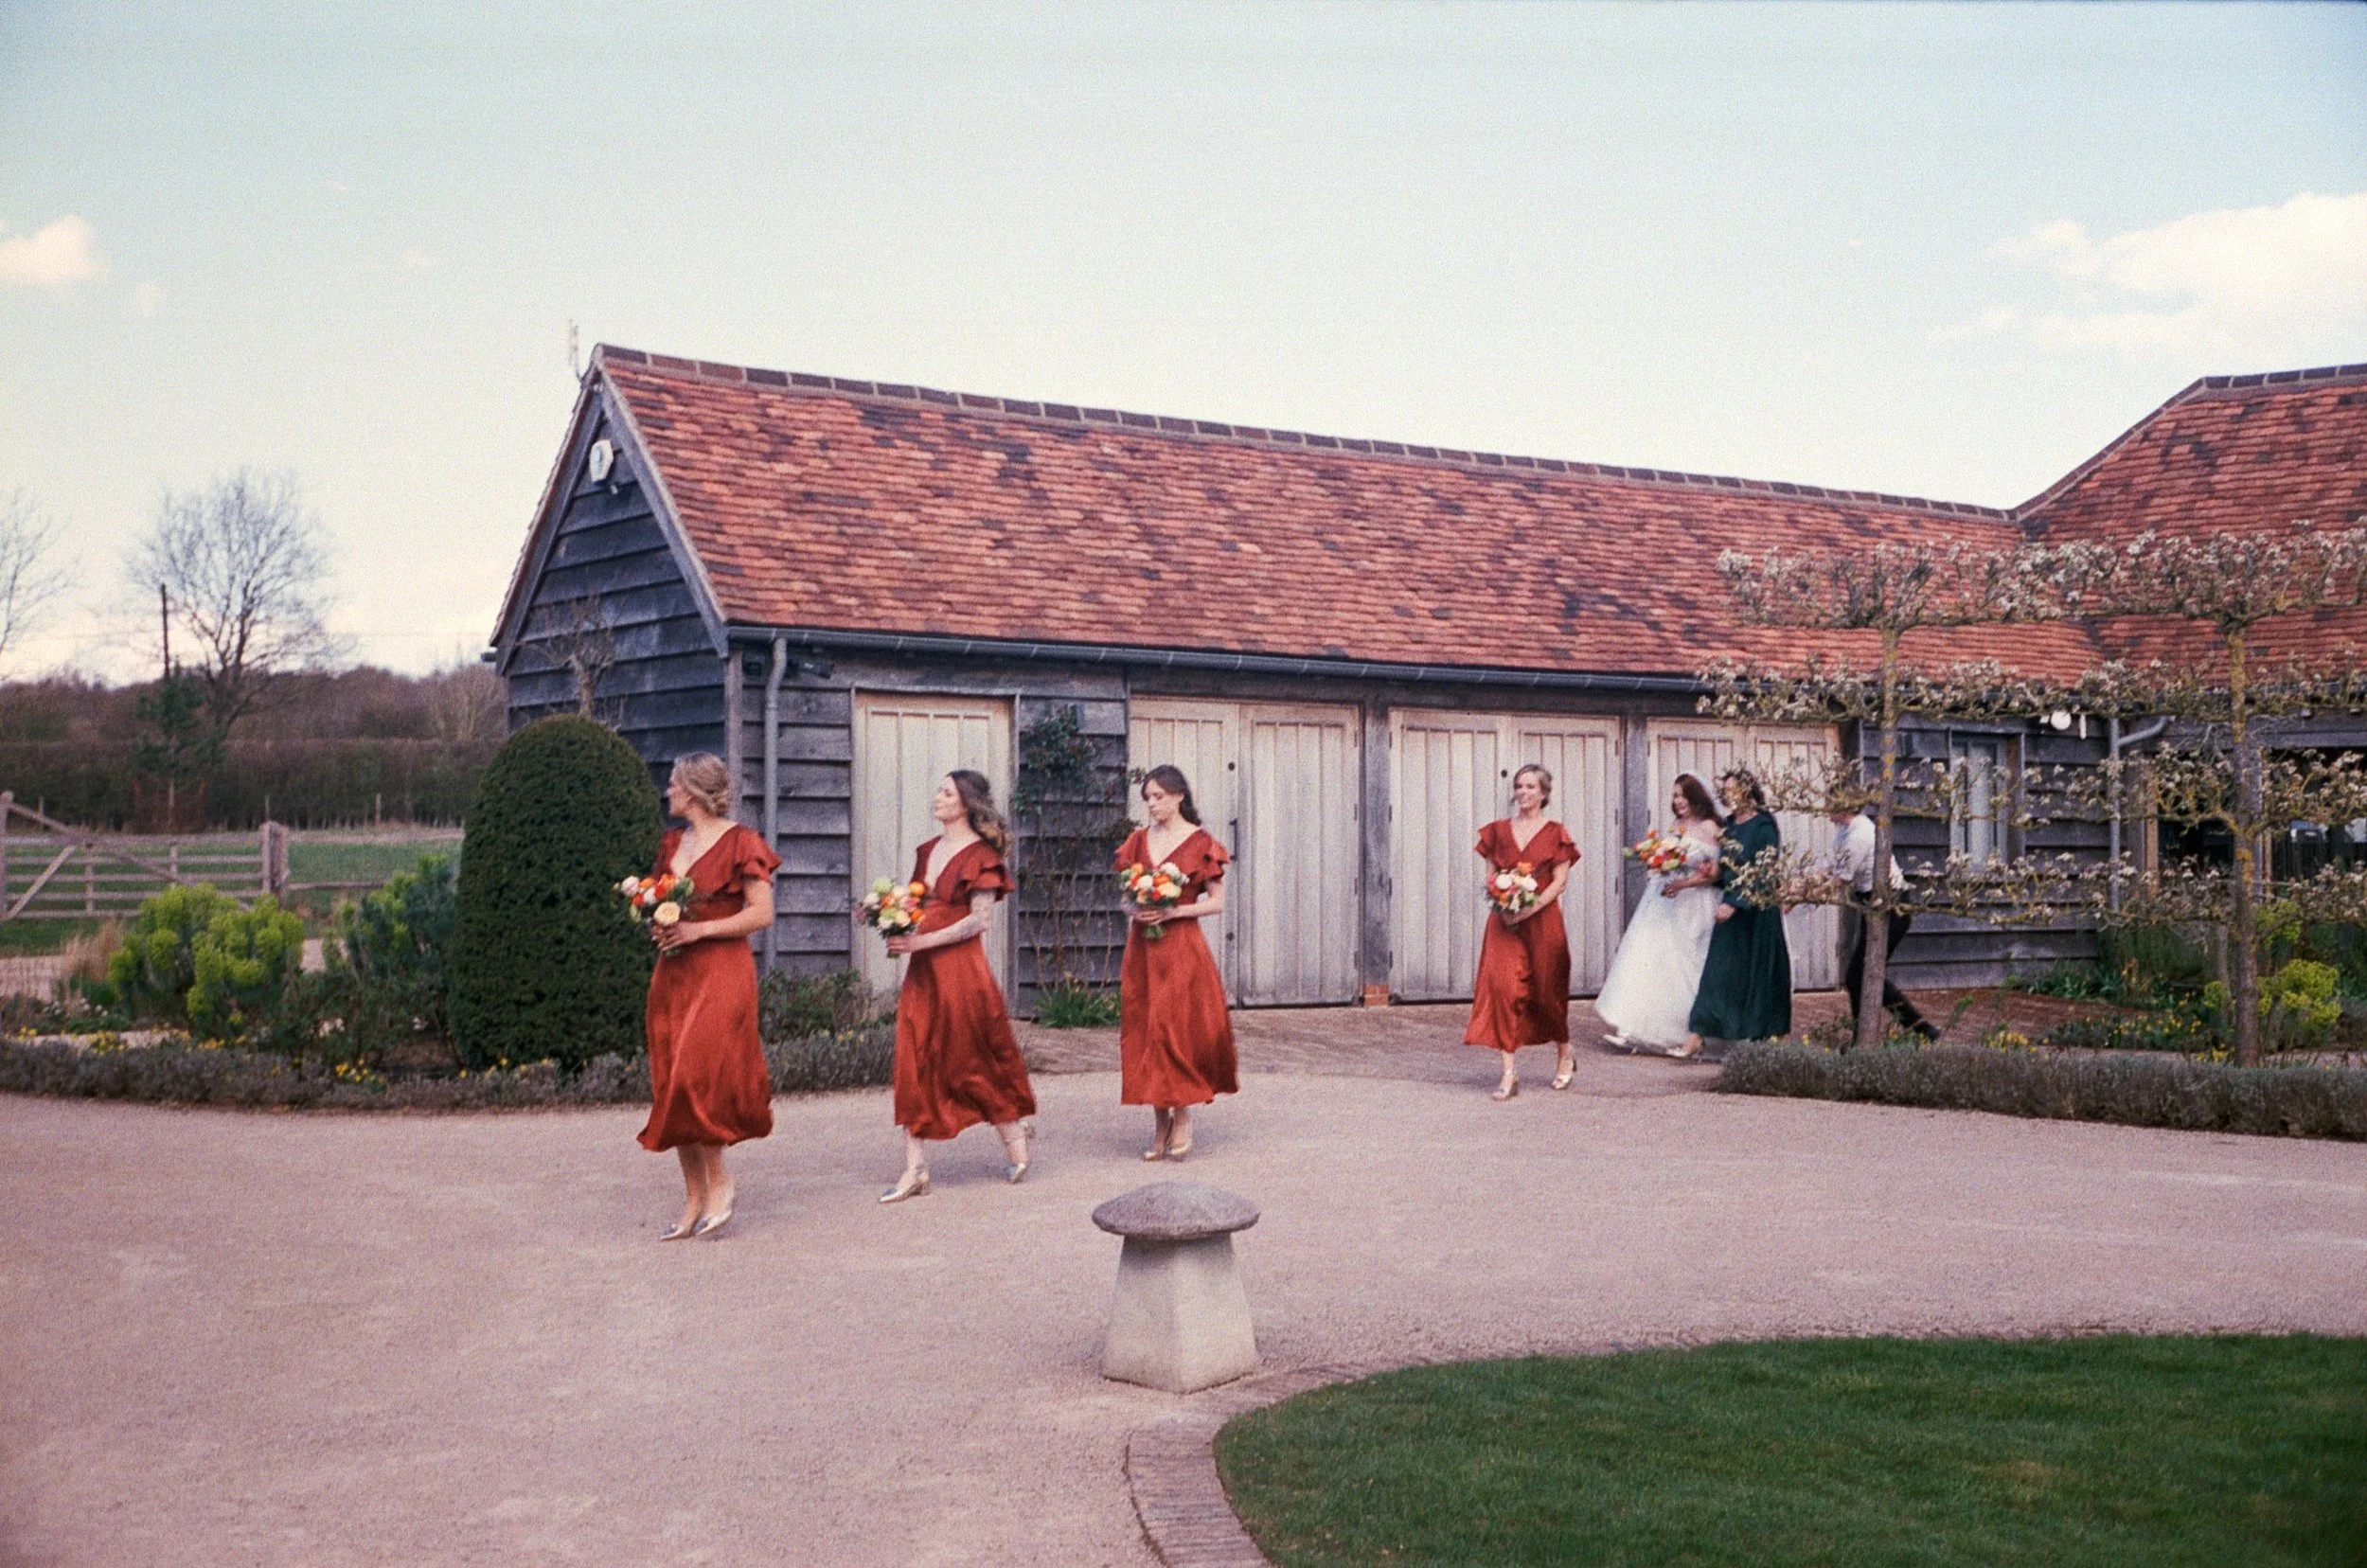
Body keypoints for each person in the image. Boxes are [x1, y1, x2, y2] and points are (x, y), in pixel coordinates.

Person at [640, 752, 782, 1240]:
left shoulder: (743, 842)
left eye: (674, 783)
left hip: (722, 972)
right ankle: (694, 1197)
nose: (668, 792)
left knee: (697, 1075)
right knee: (672, 1080)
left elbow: (761, 914)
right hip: (673, 975)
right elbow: (661, 904)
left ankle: (720, 1180)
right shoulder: (670, 844)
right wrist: (659, 926)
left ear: (696, 791)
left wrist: (699, 933)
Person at [876, 771, 1036, 1203]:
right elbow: (914, 902)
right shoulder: (927, 850)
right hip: (923, 973)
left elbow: (978, 921)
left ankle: (1013, 1133)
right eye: (939, 790)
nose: (937, 797)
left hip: (962, 973)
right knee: (915, 1053)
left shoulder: (982, 856)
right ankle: (915, 1168)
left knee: (974, 1056)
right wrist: (883, 913)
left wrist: (922, 939)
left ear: (965, 803)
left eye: (946, 792)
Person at [1117, 764, 1237, 1160]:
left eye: (1160, 797)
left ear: (1179, 796)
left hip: (1182, 947)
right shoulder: (1137, 842)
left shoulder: (1202, 843)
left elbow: (1217, 903)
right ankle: (1159, 1120)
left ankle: (1182, 1113)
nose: (1152, 804)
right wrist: (1136, 911)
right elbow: (1123, 897)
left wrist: (1173, 913)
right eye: (1148, 798)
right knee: (1147, 1028)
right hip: (1144, 950)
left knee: (1175, 1028)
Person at [1463, 764, 1579, 1098]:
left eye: (1530, 787)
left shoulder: (1556, 832)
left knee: (1547, 993)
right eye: (1519, 786)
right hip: (1505, 923)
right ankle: (1509, 1074)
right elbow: (1490, 877)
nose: (1523, 792)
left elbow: (1560, 882)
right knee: (1502, 989)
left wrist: (1530, 907)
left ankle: (1565, 1052)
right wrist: (1503, 902)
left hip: (1543, 922)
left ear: (1543, 793)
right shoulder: (1497, 832)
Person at [1594, 773, 1725, 1053]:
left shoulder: (1710, 827)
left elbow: (1716, 873)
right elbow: (1667, 858)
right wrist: (1658, 863)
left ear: (1696, 797)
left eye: (1682, 795)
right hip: (1666, 901)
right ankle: (1631, 1029)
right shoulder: (1676, 826)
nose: (1677, 801)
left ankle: (1690, 1031)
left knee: (1689, 966)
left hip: (1695, 904)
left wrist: (1686, 880)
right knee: (1651, 961)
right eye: (1675, 795)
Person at [1680, 767, 1793, 1057]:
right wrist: (1713, 871)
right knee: (1718, 971)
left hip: (1757, 910)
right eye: (1726, 790)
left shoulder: (1764, 826)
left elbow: (1763, 872)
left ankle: (1773, 1038)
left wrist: (1736, 902)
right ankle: (1697, 1034)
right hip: (1731, 906)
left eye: (1733, 790)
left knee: (1762, 975)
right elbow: (1728, 866)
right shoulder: (1729, 825)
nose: (1728, 796)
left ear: (1748, 791)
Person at [1829, 805, 1940, 1042]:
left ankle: (1920, 1030)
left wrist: (1795, 901)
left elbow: (1840, 879)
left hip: (1891, 907)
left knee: (1865, 974)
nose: (1824, 806)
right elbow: (1832, 869)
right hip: (1873, 905)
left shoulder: (1860, 834)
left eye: (1831, 799)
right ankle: (1874, 1036)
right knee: (1862, 974)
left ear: (1844, 804)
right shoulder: (1844, 830)